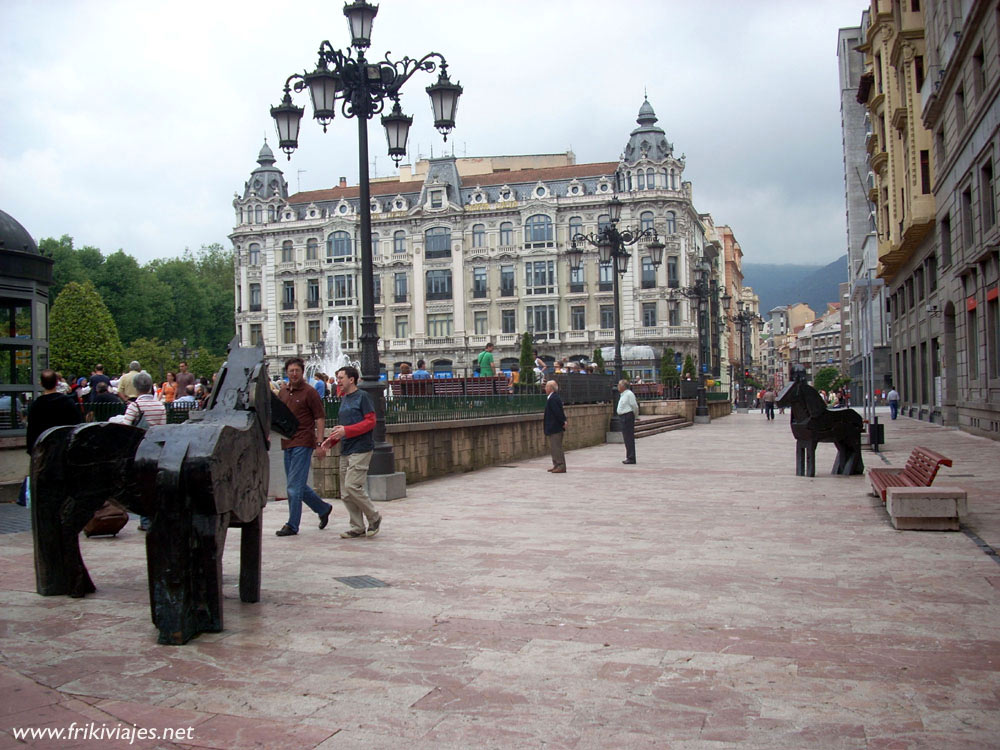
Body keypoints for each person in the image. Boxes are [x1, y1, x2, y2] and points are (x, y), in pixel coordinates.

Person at [319, 365, 382, 539]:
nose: (337, 381)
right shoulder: (344, 398)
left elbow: (370, 422)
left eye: (340, 378)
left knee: (352, 485)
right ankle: (357, 526)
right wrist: (331, 441)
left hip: (361, 448)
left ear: (351, 379)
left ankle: (374, 516)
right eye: (337, 378)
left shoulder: (363, 397)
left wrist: (347, 431)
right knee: (345, 492)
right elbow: (343, 427)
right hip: (346, 448)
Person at [275, 357, 333, 537]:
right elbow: (277, 417)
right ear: (286, 373)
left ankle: (292, 525)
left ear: (302, 372)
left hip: (303, 441)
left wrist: (319, 442)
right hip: (287, 441)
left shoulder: (310, 392)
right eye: (291, 371)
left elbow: (320, 417)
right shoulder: (283, 392)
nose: (294, 374)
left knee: (293, 486)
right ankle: (322, 508)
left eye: (297, 371)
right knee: (297, 484)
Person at [23, 369, 82, 506]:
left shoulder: (37, 406)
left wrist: (33, 452)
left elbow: (32, 432)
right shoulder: (67, 403)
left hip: (44, 455)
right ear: (57, 382)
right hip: (64, 453)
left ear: (41, 383)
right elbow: (78, 427)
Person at [122, 372, 167, 530]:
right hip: (155, 446)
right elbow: (162, 427)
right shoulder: (159, 405)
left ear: (136, 387)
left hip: (138, 446)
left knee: (140, 483)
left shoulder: (135, 406)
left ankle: (145, 521)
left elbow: (126, 427)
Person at [543, 380, 567, 473]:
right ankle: (556, 464)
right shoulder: (552, 398)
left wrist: (563, 421)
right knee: (554, 447)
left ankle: (560, 465)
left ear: (550, 388)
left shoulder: (553, 398)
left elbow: (558, 412)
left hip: (555, 427)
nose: (545, 389)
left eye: (546, 387)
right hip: (553, 427)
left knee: (557, 447)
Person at [617, 378, 639, 465]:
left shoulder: (629, 394)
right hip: (623, 416)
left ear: (623, 386)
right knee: (626, 438)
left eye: (619, 385)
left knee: (629, 437)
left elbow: (634, 406)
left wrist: (635, 416)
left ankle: (631, 457)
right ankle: (629, 456)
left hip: (627, 416)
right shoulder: (623, 394)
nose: (618, 387)